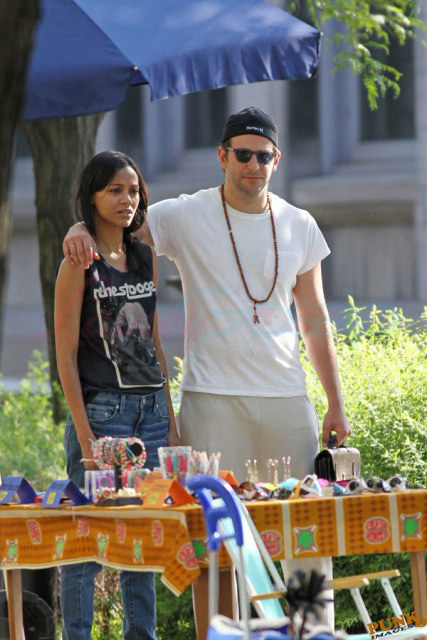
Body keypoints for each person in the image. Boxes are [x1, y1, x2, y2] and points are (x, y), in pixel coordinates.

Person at [63, 108, 351, 638]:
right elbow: (117, 221)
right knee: (212, 544)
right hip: (211, 400)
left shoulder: (300, 223)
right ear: (222, 156)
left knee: (307, 536)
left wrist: (335, 402)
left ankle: (313, 634)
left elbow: (314, 319)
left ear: (277, 160)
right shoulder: (185, 213)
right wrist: (79, 226)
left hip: (288, 400)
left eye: (263, 156)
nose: (253, 165)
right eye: (242, 154)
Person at [55, 150, 179, 640]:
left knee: (143, 536)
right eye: (114, 191)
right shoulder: (77, 263)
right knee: (86, 539)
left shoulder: (144, 258)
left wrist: (170, 418)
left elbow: (153, 341)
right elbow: (66, 357)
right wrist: (86, 437)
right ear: (92, 197)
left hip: (151, 413)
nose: (127, 200)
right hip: (103, 414)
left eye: (133, 191)